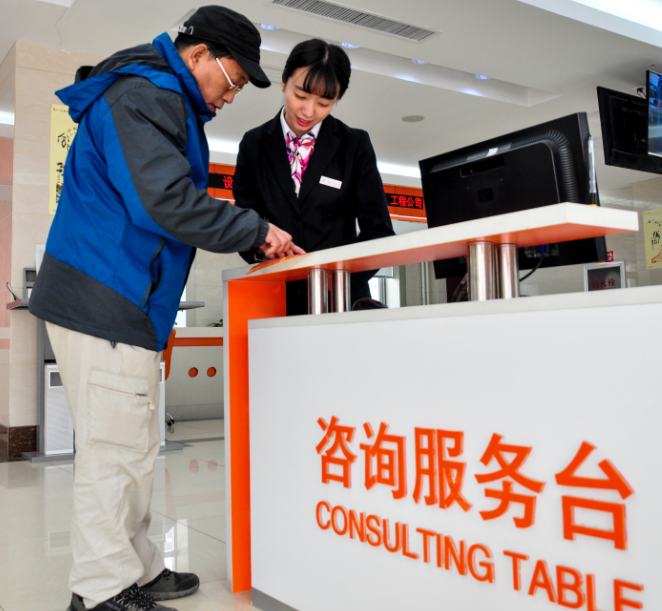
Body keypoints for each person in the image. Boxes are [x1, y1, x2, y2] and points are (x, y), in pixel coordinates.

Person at [29, 6, 302, 611]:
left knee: (133, 445)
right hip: (105, 296)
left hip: (121, 301)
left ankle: (137, 567)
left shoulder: (162, 98)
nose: (231, 96)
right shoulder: (144, 96)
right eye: (233, 81)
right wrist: (255, 230)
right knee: (114, 450)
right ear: (199, 55)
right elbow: (165, 202)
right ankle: (99, 590)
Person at [233, 39, 395, 314]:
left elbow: (379, 232)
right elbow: (246, 221)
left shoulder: (354, 145)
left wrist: (338, 276)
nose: (308, 112)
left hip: (342, 300)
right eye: (300, 96)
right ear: (283, 82)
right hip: (276, 299)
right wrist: (262, 247)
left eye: (324, 103)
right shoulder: (254, 144)